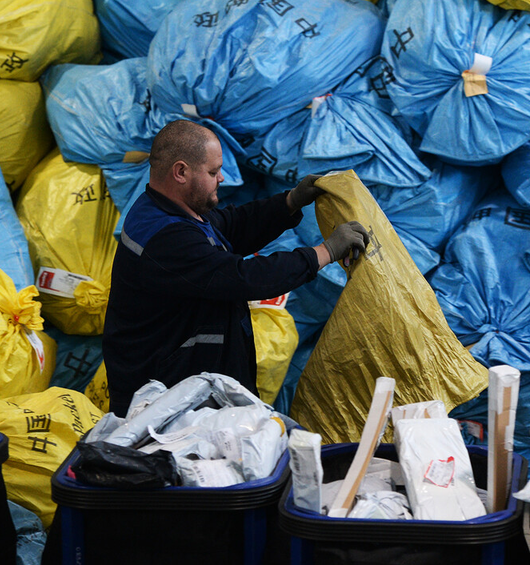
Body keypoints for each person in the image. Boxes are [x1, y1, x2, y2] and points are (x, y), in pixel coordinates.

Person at [102, 119, 370, 415]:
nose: (222, 179)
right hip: (169, 403)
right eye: (213, 172)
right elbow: (244, 278)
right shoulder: (165, 237)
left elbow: (231, 226)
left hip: (192, 386)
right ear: (181, 172)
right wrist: (325, 251)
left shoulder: (169, 209)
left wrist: (290, 202)